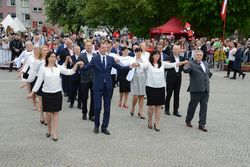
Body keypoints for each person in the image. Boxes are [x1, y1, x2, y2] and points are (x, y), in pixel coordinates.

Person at [80, 41, 138, 135]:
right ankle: (96, 125)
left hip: (108, 87)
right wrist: (81, 66)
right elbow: (86, 68)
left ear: (108, 48)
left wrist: (130, 67)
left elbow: (120, 68)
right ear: (99, 49)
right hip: (97, 87)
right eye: (102, 47)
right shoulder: (95, 59)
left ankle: (104, 127)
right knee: (97, 108)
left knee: (107, 108)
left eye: (106, 48)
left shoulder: (111, 59)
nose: (104, 49)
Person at [27, 51, 83, 141]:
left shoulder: (59, 68)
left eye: (54, 57)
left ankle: (54, 132)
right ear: (48, 58)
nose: (53, 58)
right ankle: (49, 127)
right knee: (48, 114)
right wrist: (32, 93)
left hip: (57, 93)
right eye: (51, 56)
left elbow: (70, 72)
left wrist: (76, 64)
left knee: (56, 113)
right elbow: (38, 82)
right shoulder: (43, 68)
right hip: (46, 94)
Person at [138, 50, 188, 132]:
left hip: (160, 87)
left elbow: (173, 64)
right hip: (150, 87)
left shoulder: (163, 63)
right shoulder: (149, 64)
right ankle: (150, 120)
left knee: (159, 106)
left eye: (158, 55)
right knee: (151, 107)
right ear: (152, 56)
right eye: (155, 54)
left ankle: (157, 123)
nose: (157, 56)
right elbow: (142, 65)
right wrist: (136, 64)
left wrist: (183, 62)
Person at [183, 50, 212, 132]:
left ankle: (202, 124)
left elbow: (208, 74)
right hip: (195, 89)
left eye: (200, 55)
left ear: (202, 56)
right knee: (192, 106)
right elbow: (186, 70)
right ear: (194, 56)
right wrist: (186, 66)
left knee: (204, 107)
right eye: (197, 55)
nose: (199, 56)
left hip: (205, 89)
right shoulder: (191, 64)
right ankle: (188, 120)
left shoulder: (205, 63)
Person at [78, 40, 97, 121]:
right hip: (84, 79)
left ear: (92, 47)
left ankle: (91, 114)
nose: (89, 47)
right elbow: (79, 66)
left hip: (94, 80)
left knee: (93, 98)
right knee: (84, 97)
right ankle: (84, 112)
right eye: (87, 45)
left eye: (90, 45)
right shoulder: (81, 55)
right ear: (85, 47)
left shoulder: (96, 56)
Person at [164, 45, 185, 117]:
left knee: (177, 95)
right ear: (172, 50)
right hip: (170, 78)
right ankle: (167, 109)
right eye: (175, 49)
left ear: (179, 50)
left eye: (177, 49)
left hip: (178, 78)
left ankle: (176, 110)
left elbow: (182, 68)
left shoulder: (182, 58)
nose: (176, 51)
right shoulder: (168, 58)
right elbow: (165, 68)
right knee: (169, 94)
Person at [130, 47, 146, 119]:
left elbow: (147, 66)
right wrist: (133, 65)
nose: (138, 53)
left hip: (143, 77)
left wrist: (140, 65)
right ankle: (133, 107)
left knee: (142, 95)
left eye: (140, 52)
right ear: (135, 53)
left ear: (141, 52)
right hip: (135, 77)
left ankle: (141, 112)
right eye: (137, 52)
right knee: (136, 95)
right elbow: (130, 67)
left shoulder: (144, 59)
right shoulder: (132, 59)